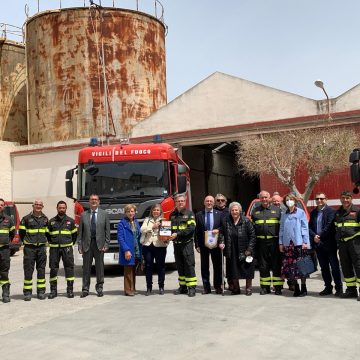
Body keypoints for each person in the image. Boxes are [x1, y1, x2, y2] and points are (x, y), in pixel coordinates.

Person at [309, 192, 342, 296]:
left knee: (334, 267)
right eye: (317, 198)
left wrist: (319, 236)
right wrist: (314, 236)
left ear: (326, 199)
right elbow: (309, 227)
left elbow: (329, 226)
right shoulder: (313, 212)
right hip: (318, 245)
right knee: (324, 268)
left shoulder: (331, 211)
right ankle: (328, 287)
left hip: (330, 244)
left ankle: (339, 288)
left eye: (321, 199)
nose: (319, 200)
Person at [219, 202, 256, 295]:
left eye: (236, 210)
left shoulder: (246, 221)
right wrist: (221, 242)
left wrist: (249, 249)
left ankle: (248, 288)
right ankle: (236, 288)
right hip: (231, 249)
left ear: (240, 211)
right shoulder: (225, 220)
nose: (234, 212)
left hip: (245, 248)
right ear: (230, 211)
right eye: (232, 210)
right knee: (233, 270)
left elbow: (252, 236)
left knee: (247, 269)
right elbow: (221, 233)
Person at [77, 194, 110, 298]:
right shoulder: (83, 215)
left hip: (99, 245)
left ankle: (99, 288)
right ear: (89, 202)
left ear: (99, 201)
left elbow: (107, 231)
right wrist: (79, 245)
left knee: (99, 268)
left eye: (95, 199)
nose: (94, 201)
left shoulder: (104, 214)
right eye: (92, 200)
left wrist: (106, 244)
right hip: (87, 244)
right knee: (86, 268)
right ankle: (85, 289)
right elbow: (80, 233)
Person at [251, 190, 283, 295]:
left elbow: (282, 228)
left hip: (274, 242)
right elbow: (252, 229)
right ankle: (265, 287)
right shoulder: (255, 211)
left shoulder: (277, 210)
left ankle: (278, 287)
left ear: (269, 198)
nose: (264, 199)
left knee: (276, 265)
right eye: (262, 197)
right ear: (259, 199)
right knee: (263, 266)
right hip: (261, 243)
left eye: (266, 197)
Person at [279, 193, 310, 297]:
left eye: (291, 199)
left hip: (299, 244)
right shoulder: (284, 215)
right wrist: (281, 243)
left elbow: (305, 228)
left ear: (294, 201)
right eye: (287, 200)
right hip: (288, 245)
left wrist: (305, 242)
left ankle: (304, 287)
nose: (289, 202)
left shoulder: (301, 213)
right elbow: (281, 229)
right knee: (291, 267)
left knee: (301, 266)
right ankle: (296, 287)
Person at [19, 199, 49, 301]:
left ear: (42, 206)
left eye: (40, 205)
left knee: (41, 270)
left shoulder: (45, 219)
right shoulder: (26, 219)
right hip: (29, 249)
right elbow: (21, 234)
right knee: (28, 270)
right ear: (33, 206)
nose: (38, 206)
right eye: (36, 204)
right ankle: (27, 292)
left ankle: (41, 292)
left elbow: (47, 234)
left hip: (41, 248)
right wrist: (27, 242)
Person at [47, 201, 77, 299]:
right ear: (57, 208)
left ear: (66, 209)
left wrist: (68, 244)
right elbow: (47, 235)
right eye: (60, 207)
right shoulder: (51, 221)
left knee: (69, 268)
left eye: (63, 208)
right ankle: (53, 291)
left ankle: (70, 290)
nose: (62, 209)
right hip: (54, 249)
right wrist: (53, 242)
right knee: (53, 268)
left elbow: (74, 236)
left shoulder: (71, 221)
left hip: (67, 248)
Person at [334, 191, 360, 300]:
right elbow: (336, 227)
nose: (345, 200)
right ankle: (351, 290)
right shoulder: (338, 212)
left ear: (351, 199)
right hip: (342, 244)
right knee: (345, 267)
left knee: (358, 266)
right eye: (343, 198)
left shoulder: (357, 211)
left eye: (347, 198)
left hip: (355, 243)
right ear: (340, 198)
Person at [170, 194, 197, 297]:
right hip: (176, 245)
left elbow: (191, 228)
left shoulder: (190, 214)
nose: (180, 202)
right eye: (178, 201)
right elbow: (169, 229)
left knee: (189, 265)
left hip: (187, 244)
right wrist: (165, 236)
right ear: (175, 202)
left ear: (185, 202)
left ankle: (192, 288)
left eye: (182, 201)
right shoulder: (172, 215)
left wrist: (177, 234)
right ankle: (183, 287)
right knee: (180, 266)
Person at [195, 195, 223, 294]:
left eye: (211, 201)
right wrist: (197, 245)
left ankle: (218, 286)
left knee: (217, 266)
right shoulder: (199, 215)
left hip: (216, 244)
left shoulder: (219, 214)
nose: (209, 203)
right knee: (204, 266)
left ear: (214, 203)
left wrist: (218, 230)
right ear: (204, 202)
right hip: (204, 245)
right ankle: (206, 287)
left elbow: (223, 227)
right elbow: (197, 231)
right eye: (207, 201)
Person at [140, 204, 167, 295]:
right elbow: (142, 229)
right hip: (148, 246)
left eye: (157, 210)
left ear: (160, 212)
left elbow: (167, 233)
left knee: (161, 267)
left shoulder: (164, 220)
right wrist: (152, 227)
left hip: (160, 246)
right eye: (154, 210)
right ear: (152, 211)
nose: (156, 211)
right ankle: (149, 288)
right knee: (148, 267)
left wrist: (167, 238)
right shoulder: (147, 220)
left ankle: (161, 287)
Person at [117, 204, 141, 296]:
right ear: (125, 213)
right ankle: (128, 290)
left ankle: (133, 288)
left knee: (133, 270)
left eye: (132, 211)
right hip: (128, 249)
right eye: (128, 211)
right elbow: (120, 238)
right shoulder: (122, 223)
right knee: (128, 270)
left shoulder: (136, 222)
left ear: (134, 212)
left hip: (136, 249)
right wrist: (126, 250)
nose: (130, 213)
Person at [0, 198, 15, 303]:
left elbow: (12, 234)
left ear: (4, 206)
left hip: (4, 250)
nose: (0, 206)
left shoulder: (9, 219)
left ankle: (5, 294)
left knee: (4, 272)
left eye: (1, 205)